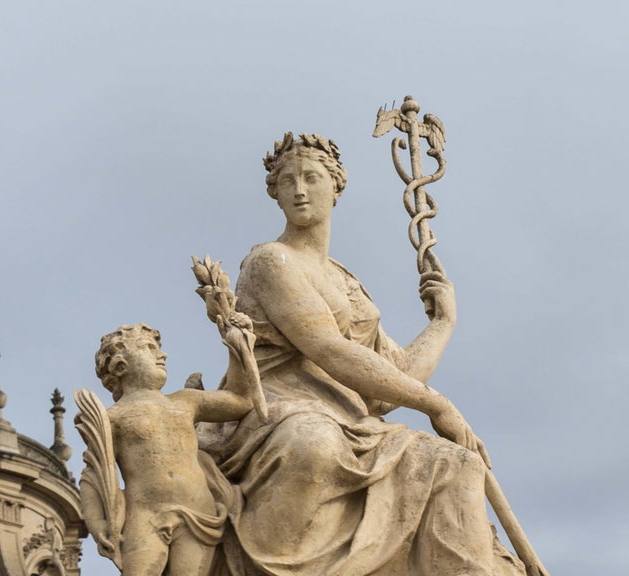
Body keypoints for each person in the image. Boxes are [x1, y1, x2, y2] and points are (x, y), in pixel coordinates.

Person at [213, 133, 522, 575]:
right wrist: (436, 405)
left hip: (354, 420)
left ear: (336, 187)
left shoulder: (345, 281)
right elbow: (329, 349)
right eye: (287, 181)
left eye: (311, 178)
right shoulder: (270, 261)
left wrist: (442, 323)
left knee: (457, 463)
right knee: (316, 443)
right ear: (274, 193)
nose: (299, 190)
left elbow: (391, 380)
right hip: (282, 411)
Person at [87, 319, 255, 576]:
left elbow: (241, 401)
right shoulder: (111, 418)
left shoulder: (186, 401)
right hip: (145, 516)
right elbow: (93, 476)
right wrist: (97, 523)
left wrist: (237, 348)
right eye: (149, 348)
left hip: (198, 511)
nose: (162, 355)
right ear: (120, 366)